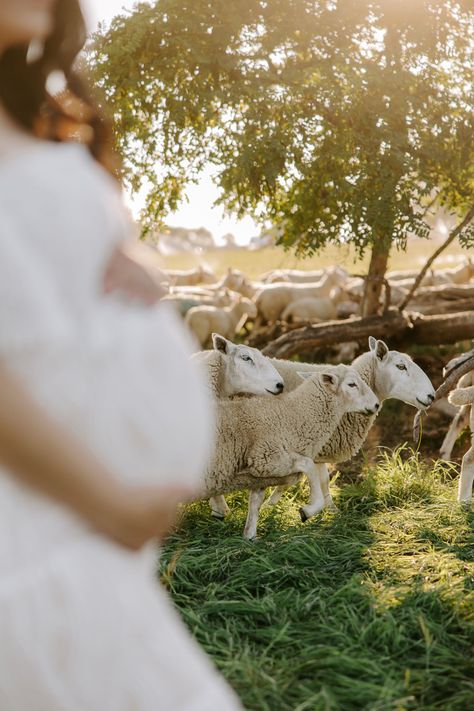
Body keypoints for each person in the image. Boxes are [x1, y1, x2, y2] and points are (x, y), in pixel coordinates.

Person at [0, 0, 243, 708]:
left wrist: (118, 266)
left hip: (82, 537)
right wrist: (107, 499)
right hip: (44, 535)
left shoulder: (29, 113)